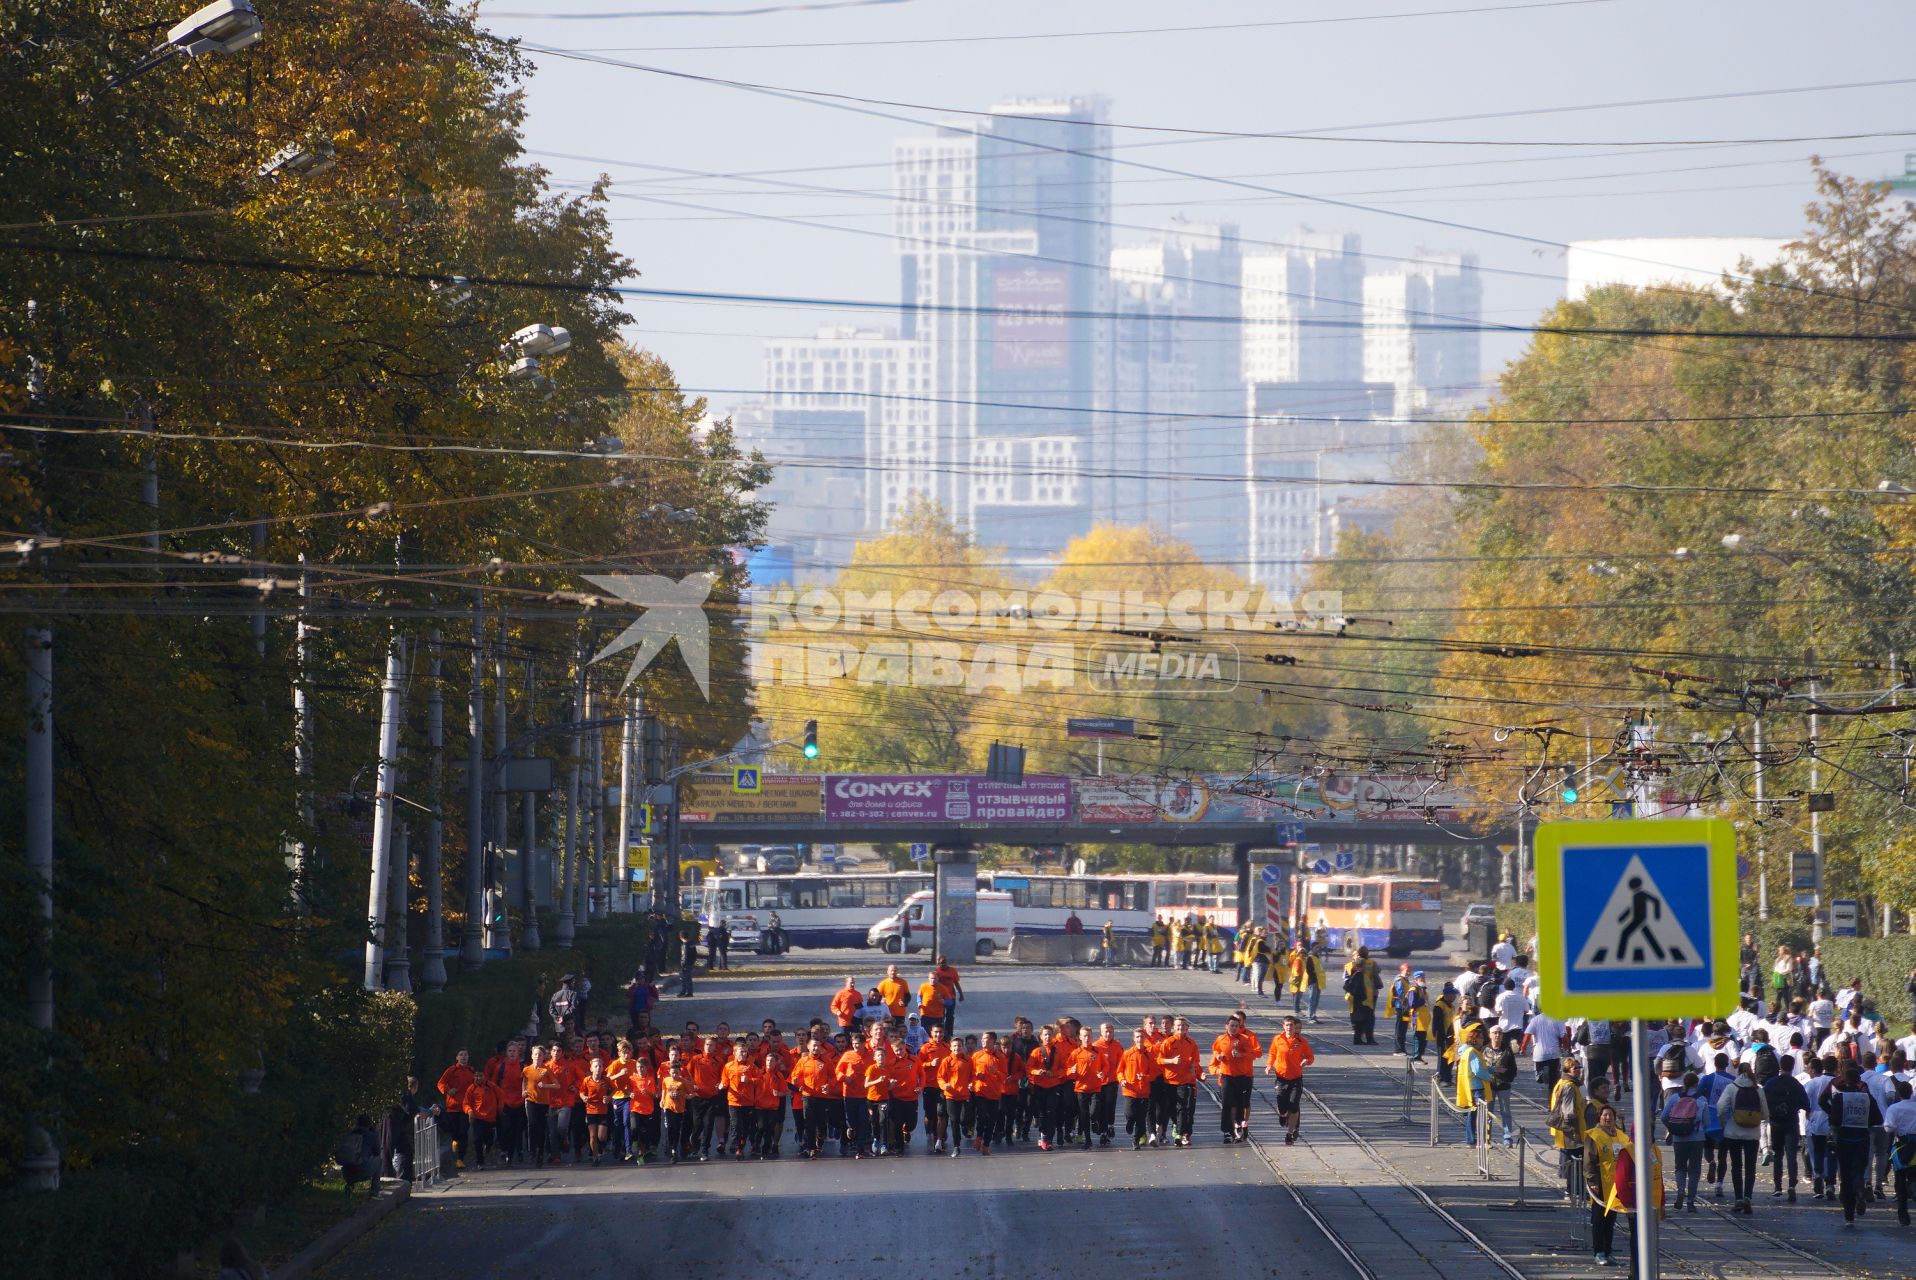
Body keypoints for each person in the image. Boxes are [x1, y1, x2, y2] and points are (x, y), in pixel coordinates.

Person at [1823, 1061, 1884, 1225]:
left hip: (1844, 1138)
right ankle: (1859, 1189)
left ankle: (1849, 1212)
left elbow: (1834, 1119)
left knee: (1845, 1173)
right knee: (1858, 1168)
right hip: (1862, 1138)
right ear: (1859, 1080)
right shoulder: (1866, 1097)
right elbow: (1878, 1118)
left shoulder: (1840, 1097)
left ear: (1845, 1080)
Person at [1715, 1064, 1764, 1214]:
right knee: (1750, 1167)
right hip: (1753, 1133)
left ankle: (1738, 1199)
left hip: (1733, 1132)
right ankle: (1748, 1197)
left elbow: (1721, 1107)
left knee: (1736, 1166)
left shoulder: (1732, 1087)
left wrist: (1726, 1123)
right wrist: (1754, 1118)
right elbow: (1766, 1113)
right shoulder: (1758, 1089)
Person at [1762, 1053, 1809, 1201]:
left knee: (1777, 1154)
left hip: (1775, 1122)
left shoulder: (1771, 1083)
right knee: (1791, 1155)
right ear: (1792, 1066)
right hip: (1791, 1122)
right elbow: (1805, 1104)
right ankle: (1792, 1185)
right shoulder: (1796, 1083)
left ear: (1780, 1066)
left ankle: (1777, 1186)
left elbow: (1764, 1099)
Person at [1209, 1011, 1259, 1144]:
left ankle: (1239, 1126)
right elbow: (1215, 1049)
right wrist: (1218, 1056)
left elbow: (1252, 1054)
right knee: (1226, 1104)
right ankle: (1226, 1131)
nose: (1234, 1028)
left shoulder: (1244, 1039)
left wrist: (1240, 1054)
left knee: (1240, 1104)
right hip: (1226, 1076)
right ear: (1226, 1026)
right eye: (1231, 1025)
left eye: (1236, 1026)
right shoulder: (1221, 1039)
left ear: (1239, 1027)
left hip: (1241, 1076)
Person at [1661, 1071, 1707, 1211]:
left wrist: (1673, 1128)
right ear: (1696, 1084)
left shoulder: (1675, 1098)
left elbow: (1663, 1116)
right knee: (1694, 1170)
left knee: (1680, 1167)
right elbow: (1707, 1122)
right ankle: (1691, 1201)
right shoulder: (1702, 1100)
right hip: (1697, 1138)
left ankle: (1680, 1189)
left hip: (1679, 1139)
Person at [1266, 1014, 1314, 1145]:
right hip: (1281, 1079)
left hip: (1296, 1079)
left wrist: (1306, 1061)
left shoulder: (1301, 1042)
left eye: (1291, 1025)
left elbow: (1310, 1057)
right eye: (1287, 1025)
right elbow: (1272, 1053)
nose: (1289, 1028)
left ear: (1294, 1028)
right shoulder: (1277, 1039)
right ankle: (1283, 1115)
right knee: (1282, 1106)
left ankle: (1290, 1133)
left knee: (1293, 1106)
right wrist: (1269, 1065)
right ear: (1283, 1026)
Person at [1548, 1056, 1590, 1201]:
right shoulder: (1569, 1086)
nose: (1578, 1070)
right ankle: (1573, 1191)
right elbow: (1569, 1112)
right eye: (1575, 1068)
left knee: (1573, 1160)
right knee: (1575, 1161)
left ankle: (1574, 1190)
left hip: (1567, 1130)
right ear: (1568, 1070)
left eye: (1579, 1067)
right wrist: (1575, 1132)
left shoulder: (1567, 1083)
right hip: (1571, 1130)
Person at [1157, 1016, 1202, 1147]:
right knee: (1172, 1108)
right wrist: (1171, 1061)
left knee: (1182, 1107)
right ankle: (1177, 1125)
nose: (1180, 1028)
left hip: (1186, 1080)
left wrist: (1197, 1070)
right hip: (1170, 1080)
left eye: (1183, 1026)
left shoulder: (1191, 1043)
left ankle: (1180, 1134)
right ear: (1174, 1027)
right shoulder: (1168, 1042)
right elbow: (1159, 1060)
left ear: (1187, 1028)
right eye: (1178, 1026)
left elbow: (1196, 1060)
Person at [1118, 1027, 1161, 1149]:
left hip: (1144, 1091)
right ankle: (1130, 1122)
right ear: (1134, 1038)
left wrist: (1145, 1077)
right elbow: (1120, 1070)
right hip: (1130, 1090)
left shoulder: (1149, 1055)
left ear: (1144, 1038)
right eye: (1137, 1037)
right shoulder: (1127, 1053)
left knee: (1141, 1118)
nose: (1139, 1039)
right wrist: (1122, 1080)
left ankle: (1135, 1140)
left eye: (1142, 1037)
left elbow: (1154, 1073)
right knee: (1130, 1113)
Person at [1068, 1026, 1109, 1148]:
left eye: (1089, 1036)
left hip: (1095, 1087)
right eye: (1084, 1036)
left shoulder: (1097, 1051)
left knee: (1093, 1111)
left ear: (1092, 1037)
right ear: (1080, 1037)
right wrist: (1072, 1070)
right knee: (1083, 1114)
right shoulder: (1076, 1053)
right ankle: (1088, 1139)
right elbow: (1067, 1070)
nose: (1086, 1038)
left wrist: (1103, 1073)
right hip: (1081, 1088)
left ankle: (1094, 1120)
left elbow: (1105, 1066)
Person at [436, 1049, 476, 1171]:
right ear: (457, 1057)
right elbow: (441, 1083)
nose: (464, 1057)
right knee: (455, 1132)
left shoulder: (471, 1071)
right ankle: (454, 1144)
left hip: (466, 1107)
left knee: (464, 1132)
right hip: (453, 1107)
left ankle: (460, 1159)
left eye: (466, 1055)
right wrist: (448, 1090)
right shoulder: (452, 1070)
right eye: (461, 1055)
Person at [1883, 1078, 1916, 1225]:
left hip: (1902, 1144)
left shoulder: (1894, 1109)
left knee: (1900, 1179)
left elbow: (1889, 1128)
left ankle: (1903, 1214)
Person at [936, 1033, 974, 1157]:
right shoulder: (946, 1061)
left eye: (959, 1046)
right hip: (951, 1096)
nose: (957, 1048)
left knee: (963, 1119)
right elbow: (940, 1077)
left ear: (962, 1047)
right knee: (954, 1120)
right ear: (951, 1048)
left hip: (964, 1095)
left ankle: (966, 1126)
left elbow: (972, 1075)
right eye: (954, 1046)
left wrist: (971, 1083)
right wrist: (944, 1085)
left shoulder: (968, 1060)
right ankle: (956, 1146)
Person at [970, 1031, 1008, 1155]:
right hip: (980, 1091)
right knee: (981, 1116)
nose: (983, 1040)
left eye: (986, 1038)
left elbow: (1004, 1077)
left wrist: (995, 1072)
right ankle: (979, 1135)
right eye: (982, 1038)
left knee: (992, 1120)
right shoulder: (976, 1055)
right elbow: (970, 1073)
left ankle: (986, 1145)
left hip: (994, 1093)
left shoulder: (1000, 1057)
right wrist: (975, 1076)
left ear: (992, 1041)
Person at [1343, 947, 1380, 1045]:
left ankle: (1358, 1038)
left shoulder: (1352, 967)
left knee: (1359, 1019)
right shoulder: (1370, 964)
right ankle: (1368, 1039)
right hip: (1366, 997)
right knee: (1368, 1019)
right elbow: (1377, 972)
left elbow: (1347, 982)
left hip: (1358, 998)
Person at [336, 1114, 379, 1198]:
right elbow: (377, 1152)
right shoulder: (371, 1135)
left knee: (352, 1160)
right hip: (362, 1172)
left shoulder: (349, 1134)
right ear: (369, 1124)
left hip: (346, 1173)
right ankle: (375, 1190)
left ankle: (349, 1185)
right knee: (379, 1159)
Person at [930, 956, 963, 1035]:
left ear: (947, 963)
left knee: (950, 1015)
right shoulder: (936, 971)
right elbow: (932, 984)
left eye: (944, 963)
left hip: (951, 997)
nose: (943, 965)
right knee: (940, 1016)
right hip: (940, 998)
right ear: (938, 963)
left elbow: (956, 983)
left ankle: (949, 1032)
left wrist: (961, 994)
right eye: (941, 963)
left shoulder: (952, 971)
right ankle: (940, 1031)